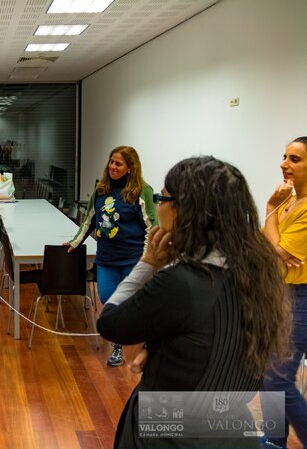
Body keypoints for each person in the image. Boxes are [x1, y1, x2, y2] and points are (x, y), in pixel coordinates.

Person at [96, 156, 290, 448]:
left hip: (170, 431)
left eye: (162, 198)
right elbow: (207, 337)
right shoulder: (260, 274)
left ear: (183, 210)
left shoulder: (183, 282)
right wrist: (159, 348)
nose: (158, 206)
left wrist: (148, 262)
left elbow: (110, 323)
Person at [64, 146, 157, 367]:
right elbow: (89, 220)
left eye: (118, 163)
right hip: (106, 257)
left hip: (132, 258)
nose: (113, 167)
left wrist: (148, 258)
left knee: (128, 301)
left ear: (130, 168)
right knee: (107, 298)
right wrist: (75, 242)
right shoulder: (101, 189)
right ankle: (126, 337)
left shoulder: (141, 191)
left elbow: (152, 226)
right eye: (111, 162)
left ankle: (120, 345)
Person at [260, 136, 307, 448]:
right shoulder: (288, 200)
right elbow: (267, 246)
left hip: (300, 298)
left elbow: (281, 250)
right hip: (278, 295)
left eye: (294, 159)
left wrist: (270, 210)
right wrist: (273, 212)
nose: (284, 164)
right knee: (267, 379)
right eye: (284, 157)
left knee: (277, 380)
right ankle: (274, 442)